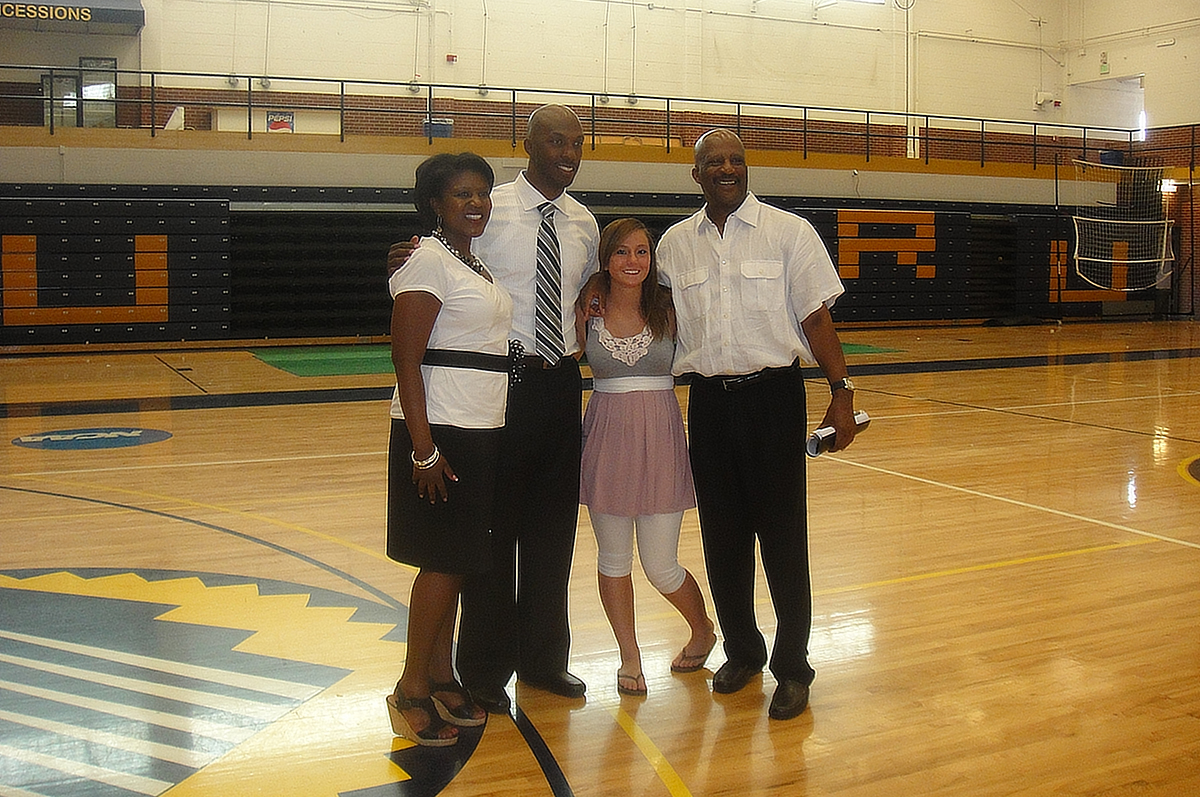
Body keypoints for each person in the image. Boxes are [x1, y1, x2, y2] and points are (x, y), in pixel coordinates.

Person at [387, 104, 599, 713]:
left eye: (575, 142)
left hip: (559, 383)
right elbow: (429, 283)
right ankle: (480, 668)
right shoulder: (486, 207)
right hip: (497, 391)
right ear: (527, 145)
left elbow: (581, 288)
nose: (566, 152)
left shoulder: (584, 221)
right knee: (488, 533)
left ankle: (544, 659)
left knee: (552, 530)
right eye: (554, 141)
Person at [656, 128, 859, 721]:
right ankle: (743, 649)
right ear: (696, 175)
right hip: (710, 404)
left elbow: (817, 320)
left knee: (783, 538)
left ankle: (793, 668)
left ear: (747, 169)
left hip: (774, 400)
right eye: (713, 162)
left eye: (736, 160)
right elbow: (648, 312)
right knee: (723, 537)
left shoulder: (789, 233)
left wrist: (841, 392)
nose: (727, 168)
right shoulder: (673, 246)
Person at [384, 151, 511, 745]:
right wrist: (424, 449)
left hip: (479, 426)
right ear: (435, 203)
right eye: (461, 194)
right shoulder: (428, 261)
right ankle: (411, 686)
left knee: (456, 558)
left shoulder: (473, 265)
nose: (476, 202)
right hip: (441, 432)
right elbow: (406, 361)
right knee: (442, 560)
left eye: (482, 193)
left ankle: (440, 673)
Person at [574, 218, 717, 698]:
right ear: (605, 260)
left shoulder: (670, 310)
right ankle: (629, 658)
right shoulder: (585, 307)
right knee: (613, 560)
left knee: (661, 565)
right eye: (621, 252)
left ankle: (703, 631)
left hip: (660, 440)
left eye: (641, 252)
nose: (632, 261)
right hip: (606, 441)